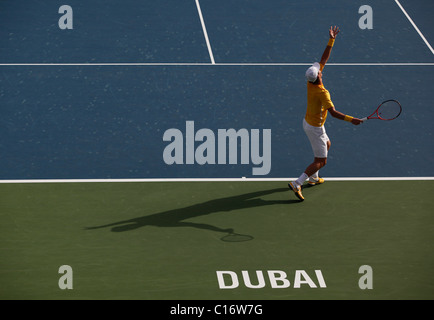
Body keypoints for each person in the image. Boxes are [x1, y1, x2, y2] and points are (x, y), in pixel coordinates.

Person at [288, 26, 364, 201]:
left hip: (308, 123)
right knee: (321, 160)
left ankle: (314, 177)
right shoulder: (323, 93)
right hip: (315, 128)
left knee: (327, 144)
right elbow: (334, 113)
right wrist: (352, 120)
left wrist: (331, 40)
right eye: (320, 71)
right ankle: (297, 183)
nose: (321, 69)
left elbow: (323, 59)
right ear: (319, 77)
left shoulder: (310, 82)